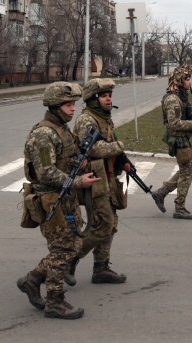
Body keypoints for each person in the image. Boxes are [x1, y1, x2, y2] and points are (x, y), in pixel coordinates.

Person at [17, 82, 99, 319]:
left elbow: (63, 161)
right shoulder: (44, 134)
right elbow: (46, 172)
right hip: (52, 200)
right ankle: (55, 301)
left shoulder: (62, 129)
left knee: (71, 247)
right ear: (54, 106)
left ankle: (32, 280)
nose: (73, 108)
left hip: (65, 198)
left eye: (73, 103)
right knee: (61, 250)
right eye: (67, 104)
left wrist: (78, 164)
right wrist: (77, 182)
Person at [65, 78, 129, 286]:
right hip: (93, 179)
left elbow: (107, 143)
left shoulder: (104, 118)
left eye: (110, 95)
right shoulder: (86, 119)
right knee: (103, 224)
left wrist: (122, 160)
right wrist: (119, 146)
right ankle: (69, 260)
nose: (108, 98)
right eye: (104, 95)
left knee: (111, 224)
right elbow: (92, 149)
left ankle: (101, 267)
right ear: (93, 99)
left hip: (107, 177)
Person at [151, 65, 192, 219]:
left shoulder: (180, 97)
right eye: (186, 79)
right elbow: (174, 124)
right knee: (187, 172)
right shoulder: (173, 99)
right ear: (178, 81)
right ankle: (179, 207)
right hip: (178, 140)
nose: (189, 82)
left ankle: (161, 193)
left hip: (183, 139)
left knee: (187, 170)